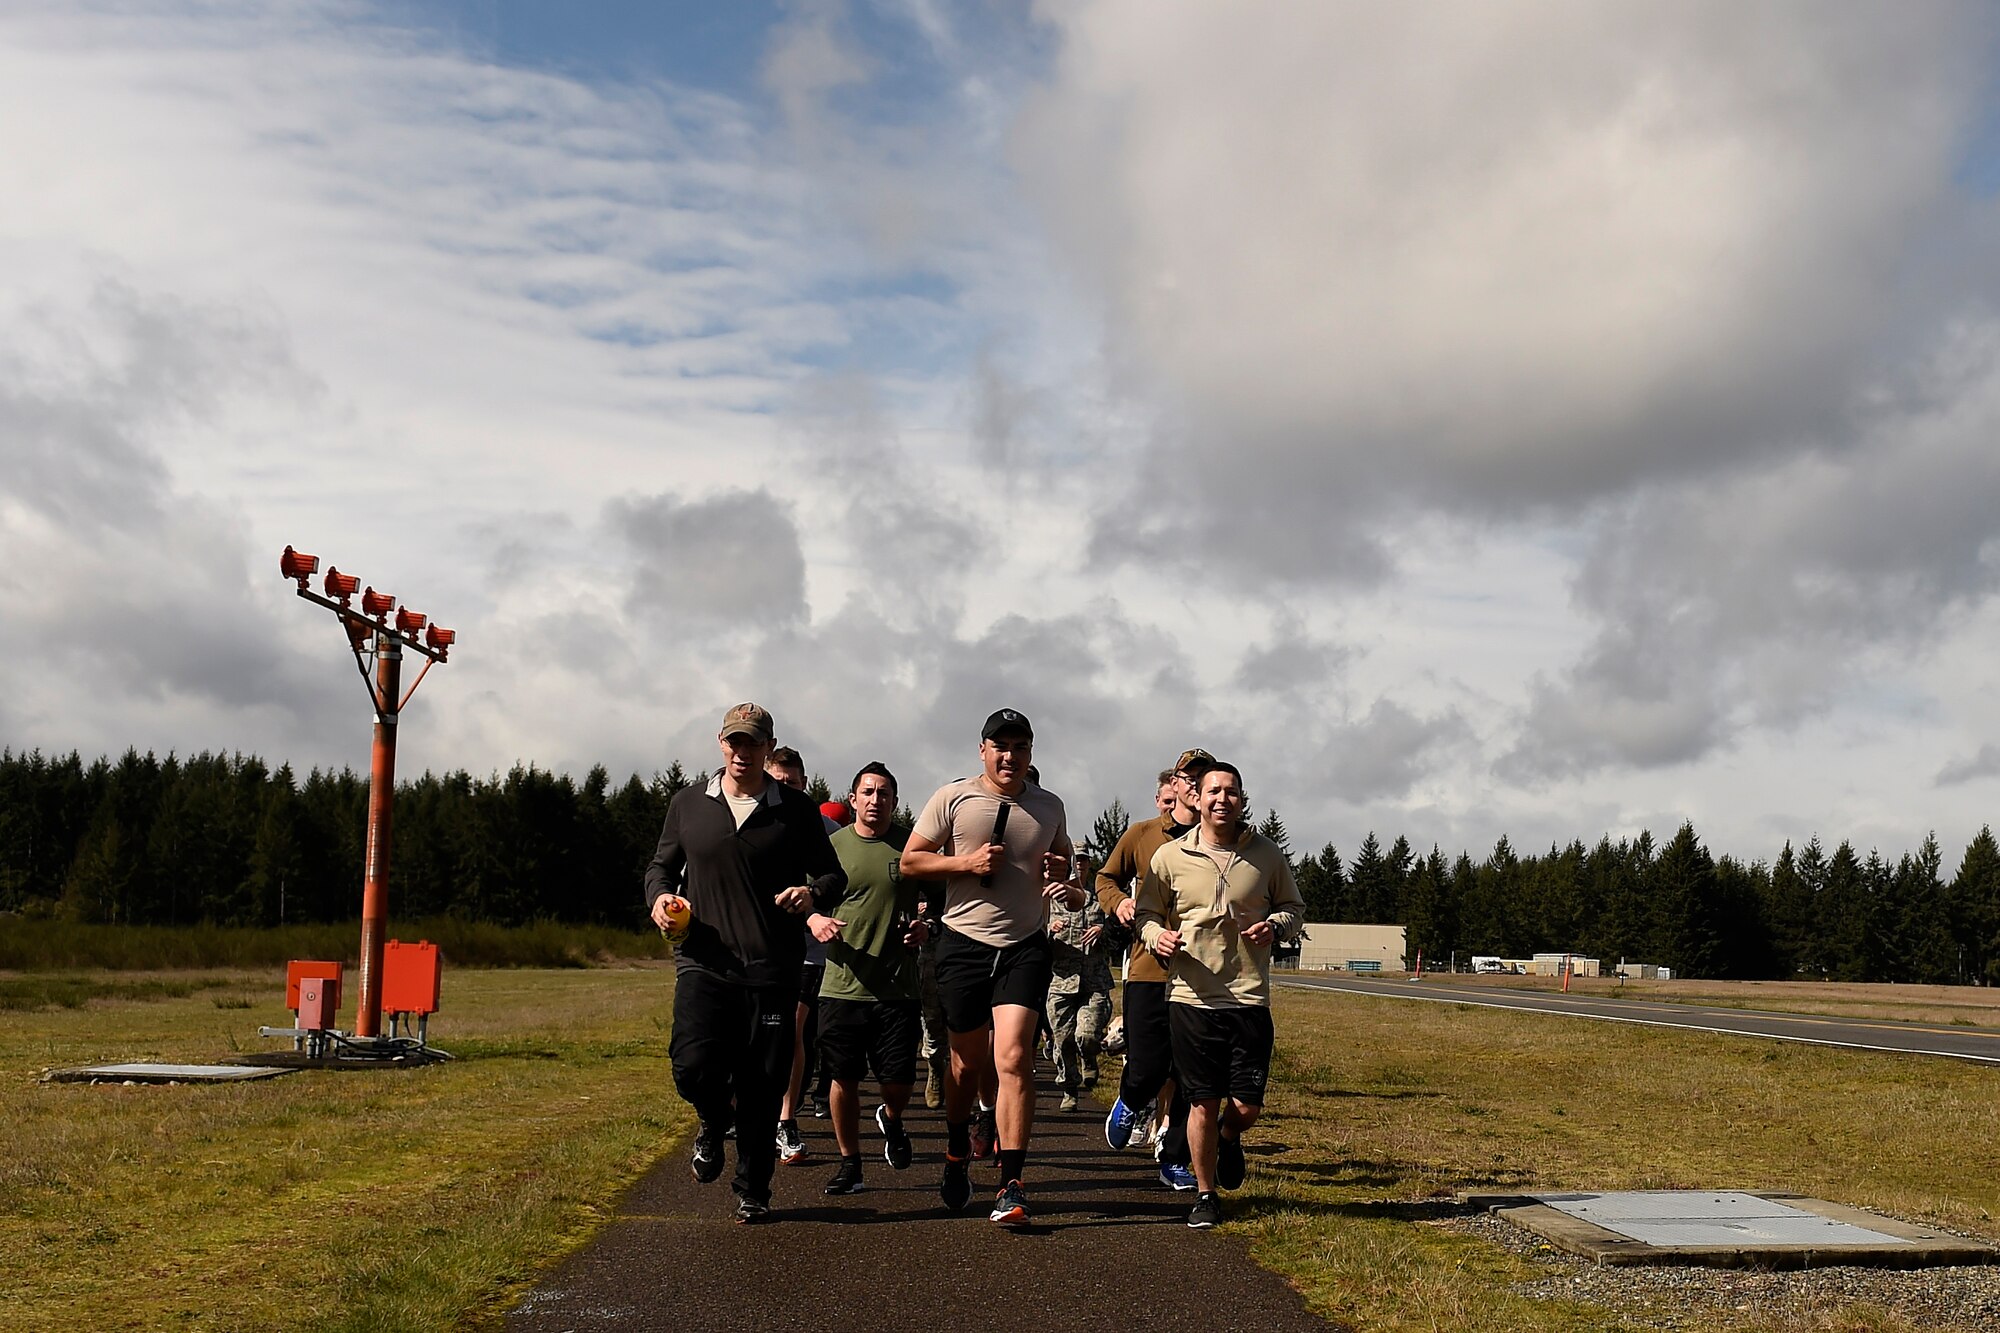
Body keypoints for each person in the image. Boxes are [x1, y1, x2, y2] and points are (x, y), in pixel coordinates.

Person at [644, 703, 845, 1223]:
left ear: (767, 746)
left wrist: (811, 892)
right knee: (691, 1067)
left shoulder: (796, 811)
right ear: (720, 742)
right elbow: (661, 867)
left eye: (753, 742)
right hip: (703, 962)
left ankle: (753, 1187)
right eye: (735, 741)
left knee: (764, 1082)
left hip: (772, 968)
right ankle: (714, 1119)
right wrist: (660, 899)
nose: (742, 751)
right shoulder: (689, 804)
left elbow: (833, 876)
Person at [902, 708, 1083, 1226]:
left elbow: (1065, 861)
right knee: (967, 1064)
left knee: (1014, 1059)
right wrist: (966, 863)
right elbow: (912, 861)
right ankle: (957, 1150)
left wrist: (1061, 870)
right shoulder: (952, 797)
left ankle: (1011, 1183)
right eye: (999, 746)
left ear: (1031, 754)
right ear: (982, 750)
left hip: (1024, 946)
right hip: (962, 943)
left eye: (1020, 747)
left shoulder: (1050, 806)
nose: (1010, 756)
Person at [1134, 760, 1305, 1229]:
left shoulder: (1266, 855)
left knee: (1246, 1106)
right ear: (1198, 799)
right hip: (1192, 997)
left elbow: (1294, 908)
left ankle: (1229, 1137)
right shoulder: (1170, 857)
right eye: (1213, 792)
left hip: (1249, 997)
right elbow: (1146, 913)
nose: (1222, 799)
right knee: (1203, 1101)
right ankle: (1205, 1194)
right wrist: (1156, 936)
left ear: (1242, 800)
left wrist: (1276, 925)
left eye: (1231, 792)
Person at [808, 762, 932, 1196]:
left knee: (898, 1082)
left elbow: (938, 901)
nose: (876, 801)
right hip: (841, 985)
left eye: (884, 794)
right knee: (843, 1078)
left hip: (897, 986)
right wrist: (815, 919)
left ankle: (892, 1119)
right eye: (868, 792)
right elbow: (805, 897)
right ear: (853, 799)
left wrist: (926, 926)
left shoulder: (912, 848)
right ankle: (850, 1163)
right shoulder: (831, 847)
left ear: (895, 803)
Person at [1096, 751, 1213, 1191]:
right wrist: (1119, 903)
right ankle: (1131, 1099)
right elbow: (1105, 879)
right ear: (1178, 784)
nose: (1197, 785)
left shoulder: (1219, 840)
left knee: (1189, 1072)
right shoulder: (1143, 835)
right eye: (1190, 777)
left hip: (1202, 974)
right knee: (1147, 1065)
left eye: (1206, 777)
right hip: (1147, 967)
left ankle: (1174, 1157)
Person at [768, 746, 834, 1161]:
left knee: (793, 1030)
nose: (784, 788)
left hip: (809, 951)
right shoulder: (748, 824)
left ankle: (785, 1121)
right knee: (757, 1033)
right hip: (756, 948)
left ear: (804, 784)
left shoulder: (825, 829)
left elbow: (841, 882)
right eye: (777, 782)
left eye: (791, 783)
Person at [1045, 853, 1113, 1111]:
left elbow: (1119, 935)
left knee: (1086, 1036)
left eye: (1083, 861)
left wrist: (1103, 930)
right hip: (1061, 982)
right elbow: (1033, 944)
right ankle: (1069, 1090)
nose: (1079, 867)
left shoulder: (1100, 900)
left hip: (1093, 982)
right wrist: (1049, 932)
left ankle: (1090, 1057)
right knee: (1062, 1041)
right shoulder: (1049, 902)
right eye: (1074, 862)